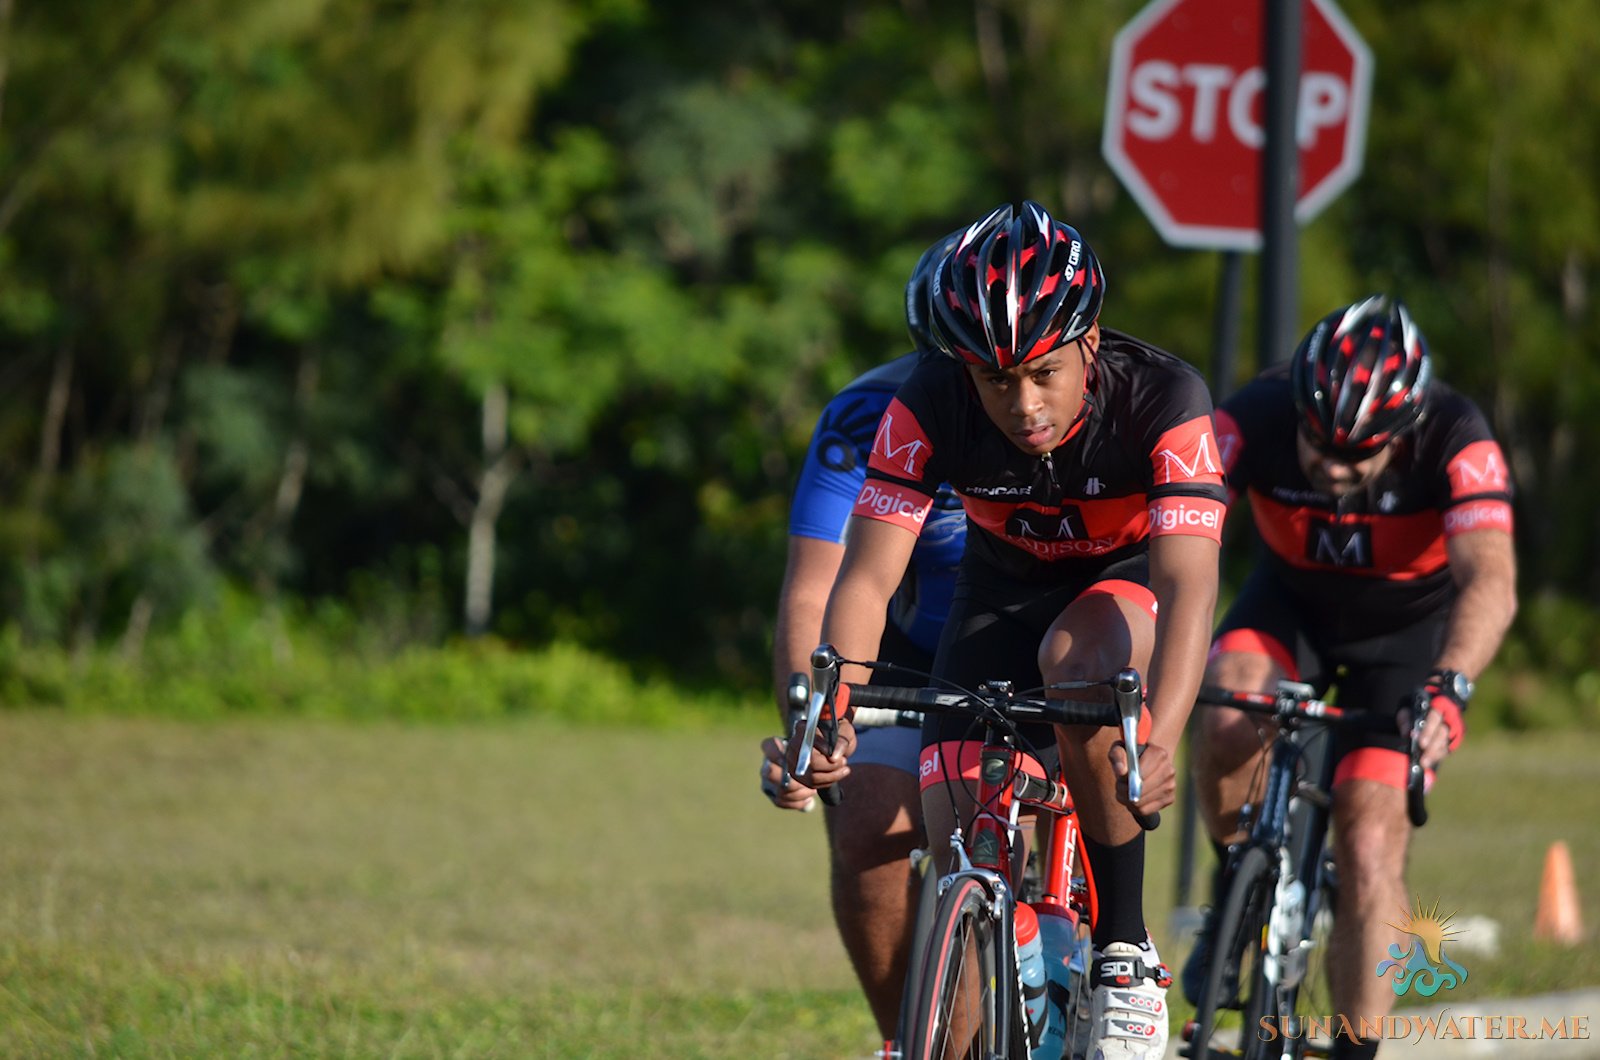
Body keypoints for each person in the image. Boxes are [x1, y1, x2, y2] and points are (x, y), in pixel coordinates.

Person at [791, 201, 1227, 1060]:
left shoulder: (1166, 398)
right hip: (1002, 588)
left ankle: (1124, 956)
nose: (1022, 405)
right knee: (957, 809)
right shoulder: (929, 402)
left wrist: (1160, 740)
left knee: (1075, 660)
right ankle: (1008, 965)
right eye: (995, 381)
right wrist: (831, 703)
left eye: (1042, 374)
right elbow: (868, 576)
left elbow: (1187, 588)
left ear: (1090, 345)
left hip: (1122, 583)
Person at [1184, 296, 1517, 1059]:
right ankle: (1235, 886)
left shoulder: (1457, 437)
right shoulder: (1254, 413)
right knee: (1230, 706)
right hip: (1290, 607)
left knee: (1369, 844)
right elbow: (1175, 522)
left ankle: (1354, 1046)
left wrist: (1451, 682)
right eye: (1316, 443)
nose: (1331, 465)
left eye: (1355, 454)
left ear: (1400, 436)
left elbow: (1492, 580)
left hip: (1405, 642)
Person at [758, 234, 968, 1039]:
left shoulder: (1064, 410)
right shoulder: (864, 414)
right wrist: (810, 726)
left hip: (1048, 644)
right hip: (912, 653)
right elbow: (814, 589)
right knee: (866, 823)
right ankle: (904, 1039)